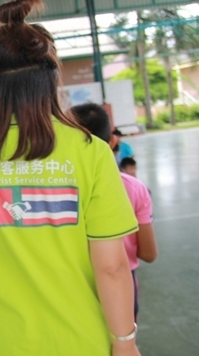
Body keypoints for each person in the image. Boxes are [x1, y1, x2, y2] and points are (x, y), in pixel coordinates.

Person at [0, 0, 140, 355]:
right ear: (52, 76)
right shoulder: (89, 150)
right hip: (80, 339)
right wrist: (125, 343)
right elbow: (113, 268)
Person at [70, 103, 158, 321]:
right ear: (112, 141)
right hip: (123, 287)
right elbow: (148, 253)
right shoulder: (135, 188)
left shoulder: (58, 188)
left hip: (76, 285)